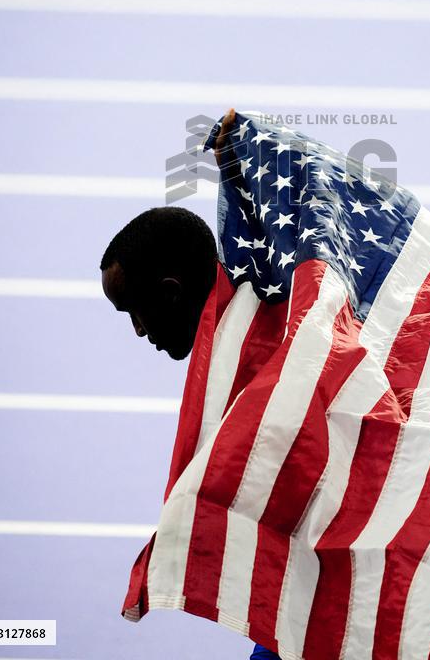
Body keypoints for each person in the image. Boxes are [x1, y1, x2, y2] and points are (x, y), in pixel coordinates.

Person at [100, 109, 281, 660]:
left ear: (173, 292)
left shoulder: (271, 342)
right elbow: (247, 232)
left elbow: (297, 232)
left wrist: (249, 157)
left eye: (134, 311)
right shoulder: (240, 319)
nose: (138, 331)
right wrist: (234, 164)